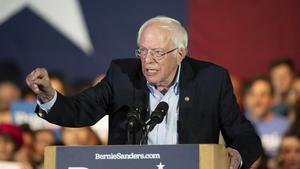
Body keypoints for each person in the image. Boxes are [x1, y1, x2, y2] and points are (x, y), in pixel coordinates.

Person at [26, 16, 262, 169]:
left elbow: (245, 136)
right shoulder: (122, 75)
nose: (147, 61)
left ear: (180, 54)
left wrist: (237, 155)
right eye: (143, 51)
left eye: (158, 53)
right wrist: (48, 95)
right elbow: (80, 110)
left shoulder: (211, 80)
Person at [244, 77, 290, 158]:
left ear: (272, 99)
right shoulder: (235, 124)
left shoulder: (286, 125)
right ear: (246, 98)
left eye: (263, 95)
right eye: (252, 94)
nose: (257, 100)